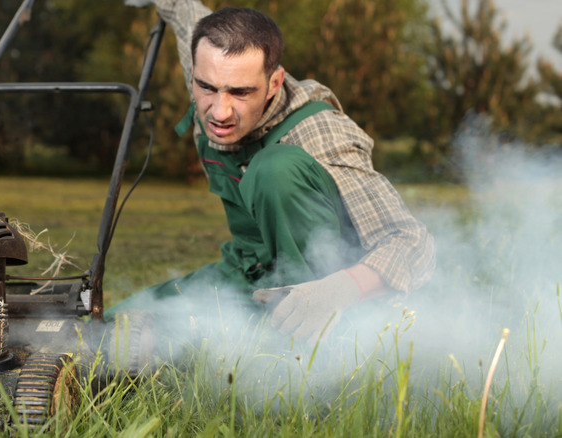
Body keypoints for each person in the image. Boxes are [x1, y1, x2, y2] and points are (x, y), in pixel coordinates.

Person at [108, 0, 435, 343]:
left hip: (325, 292)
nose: (219, 112)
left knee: (274, 169)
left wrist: (335, 292)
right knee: (115, 327)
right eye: (206, 87)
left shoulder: (320, 133)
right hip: (248, 272)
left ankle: (314, 347)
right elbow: (187, 13)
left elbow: (414, 245)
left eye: (241, 92)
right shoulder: (210, 63)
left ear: (275, 83)